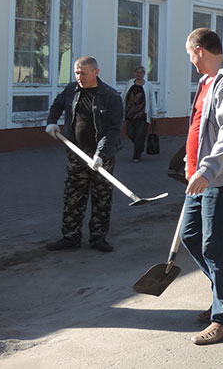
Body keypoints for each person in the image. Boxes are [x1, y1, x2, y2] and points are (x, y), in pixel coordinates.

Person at [181, 27, 223, 346]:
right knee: (190, 235)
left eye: (190, 55)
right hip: (200, 176)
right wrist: (190, 161)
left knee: (215, 246)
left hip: (220, 178)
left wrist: (207, 169)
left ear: (200, 51)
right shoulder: (207, 81)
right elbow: (200, 126)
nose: (191, 62)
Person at [45, 56, 123, 253]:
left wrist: (101, 154)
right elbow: (57, 105)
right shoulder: (72, 90)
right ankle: (70, 236)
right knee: (73, 196)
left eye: (83, 73)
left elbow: (113, 130)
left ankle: (98, 238)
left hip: (102, 157)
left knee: (101, 197)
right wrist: (52, 121)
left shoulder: (111, 96)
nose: (79, 77)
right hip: (76, 153)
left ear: (96, 72)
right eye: (77, 73)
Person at [121, 66, 156, 162]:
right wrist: (119, 107)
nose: (139, 74)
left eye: (141, 72)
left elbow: (152, 99)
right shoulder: (130, 83)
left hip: (142, 115)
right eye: (137, 72)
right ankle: (139, 145)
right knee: (129, 132)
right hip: (130, 114)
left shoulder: (148, 85)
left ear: (144, 74)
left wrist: (154, 114)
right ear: (134, 73)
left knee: (140, 135)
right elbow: (124, 95)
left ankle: (136, 155)